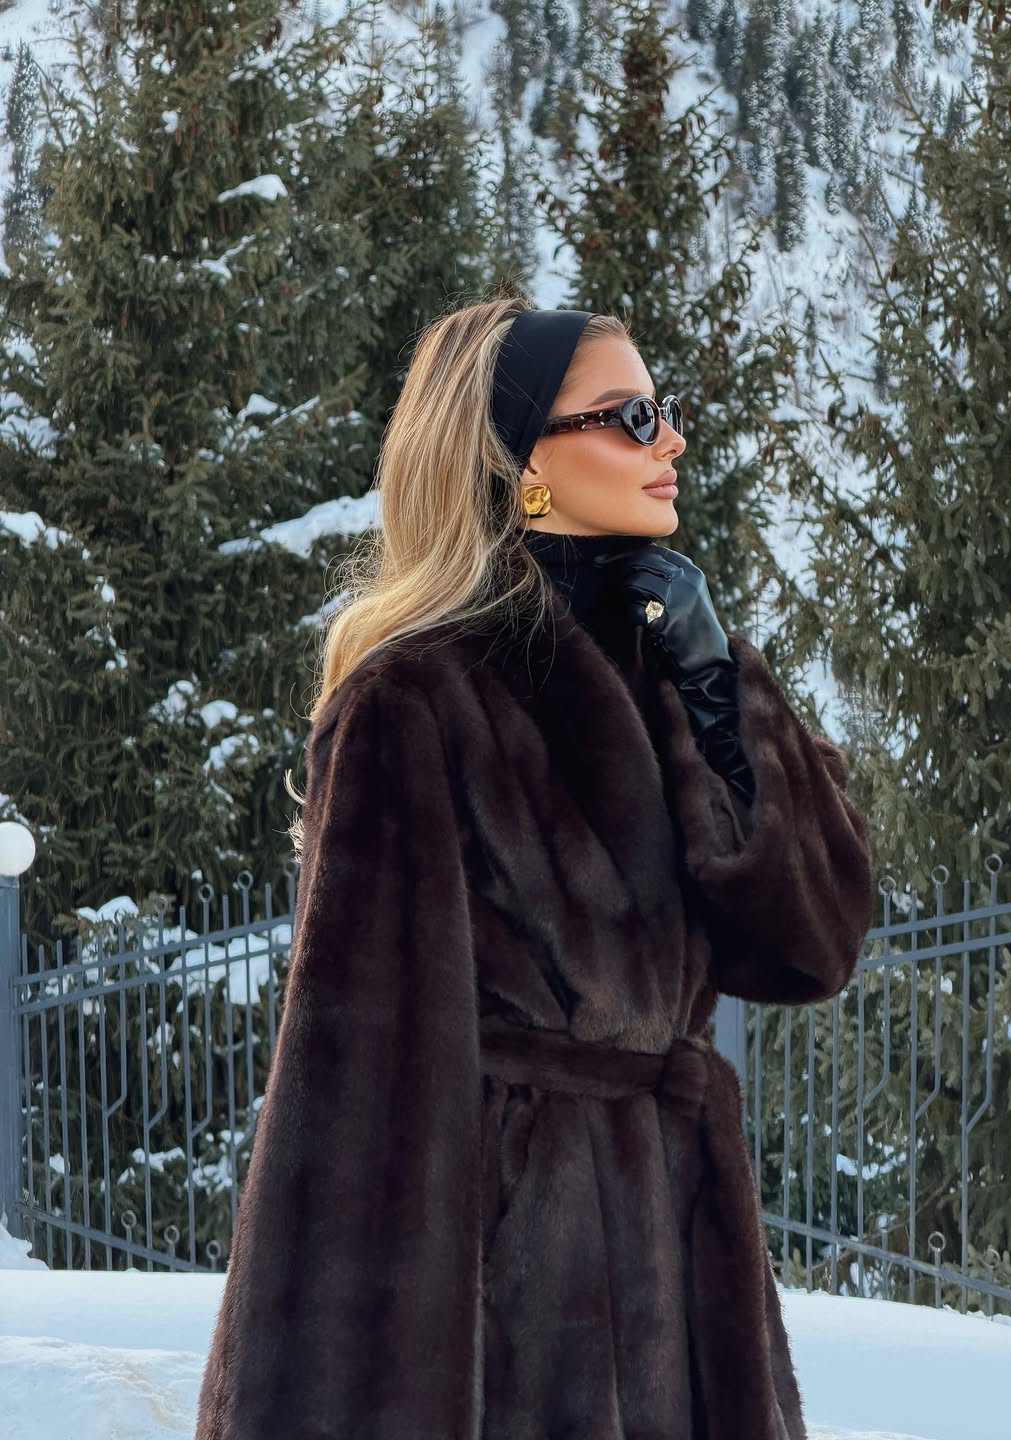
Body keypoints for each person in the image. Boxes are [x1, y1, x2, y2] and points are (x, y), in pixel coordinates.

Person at [194, 296, 876, 1440]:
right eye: (631, 416)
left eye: (664, 412)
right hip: (514, 1310)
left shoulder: (675, 672)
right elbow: (355, 1100)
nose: (671, 441)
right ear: (524, 466)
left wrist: (718, 683)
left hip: (693, 1284)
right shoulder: (411, 702)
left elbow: (814, 943)